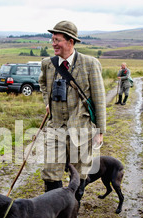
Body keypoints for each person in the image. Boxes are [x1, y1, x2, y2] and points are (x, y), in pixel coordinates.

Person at [39, 21, 106, 201]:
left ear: (70, 42)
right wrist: (48, 101)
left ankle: (72, 209)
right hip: (55, 127)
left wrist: (100, 131)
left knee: (78, 171)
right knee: (51, 171)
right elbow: (42, 84)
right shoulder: (47, 63)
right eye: (52, 39)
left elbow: (99, 99)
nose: (53, 44)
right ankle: (52, 210)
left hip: (81, 128)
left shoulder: (90, 64)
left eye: (57, 40)